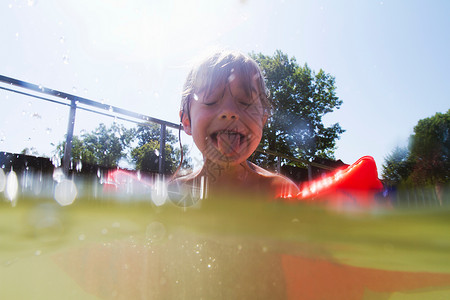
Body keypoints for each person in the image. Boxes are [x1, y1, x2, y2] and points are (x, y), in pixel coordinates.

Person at [169, 49, 299, 203]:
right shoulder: (176, 195)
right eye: (211, 101)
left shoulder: (279, 191)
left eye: (246, 102)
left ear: (262, 121)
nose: (230, 112)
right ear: (187, 122)